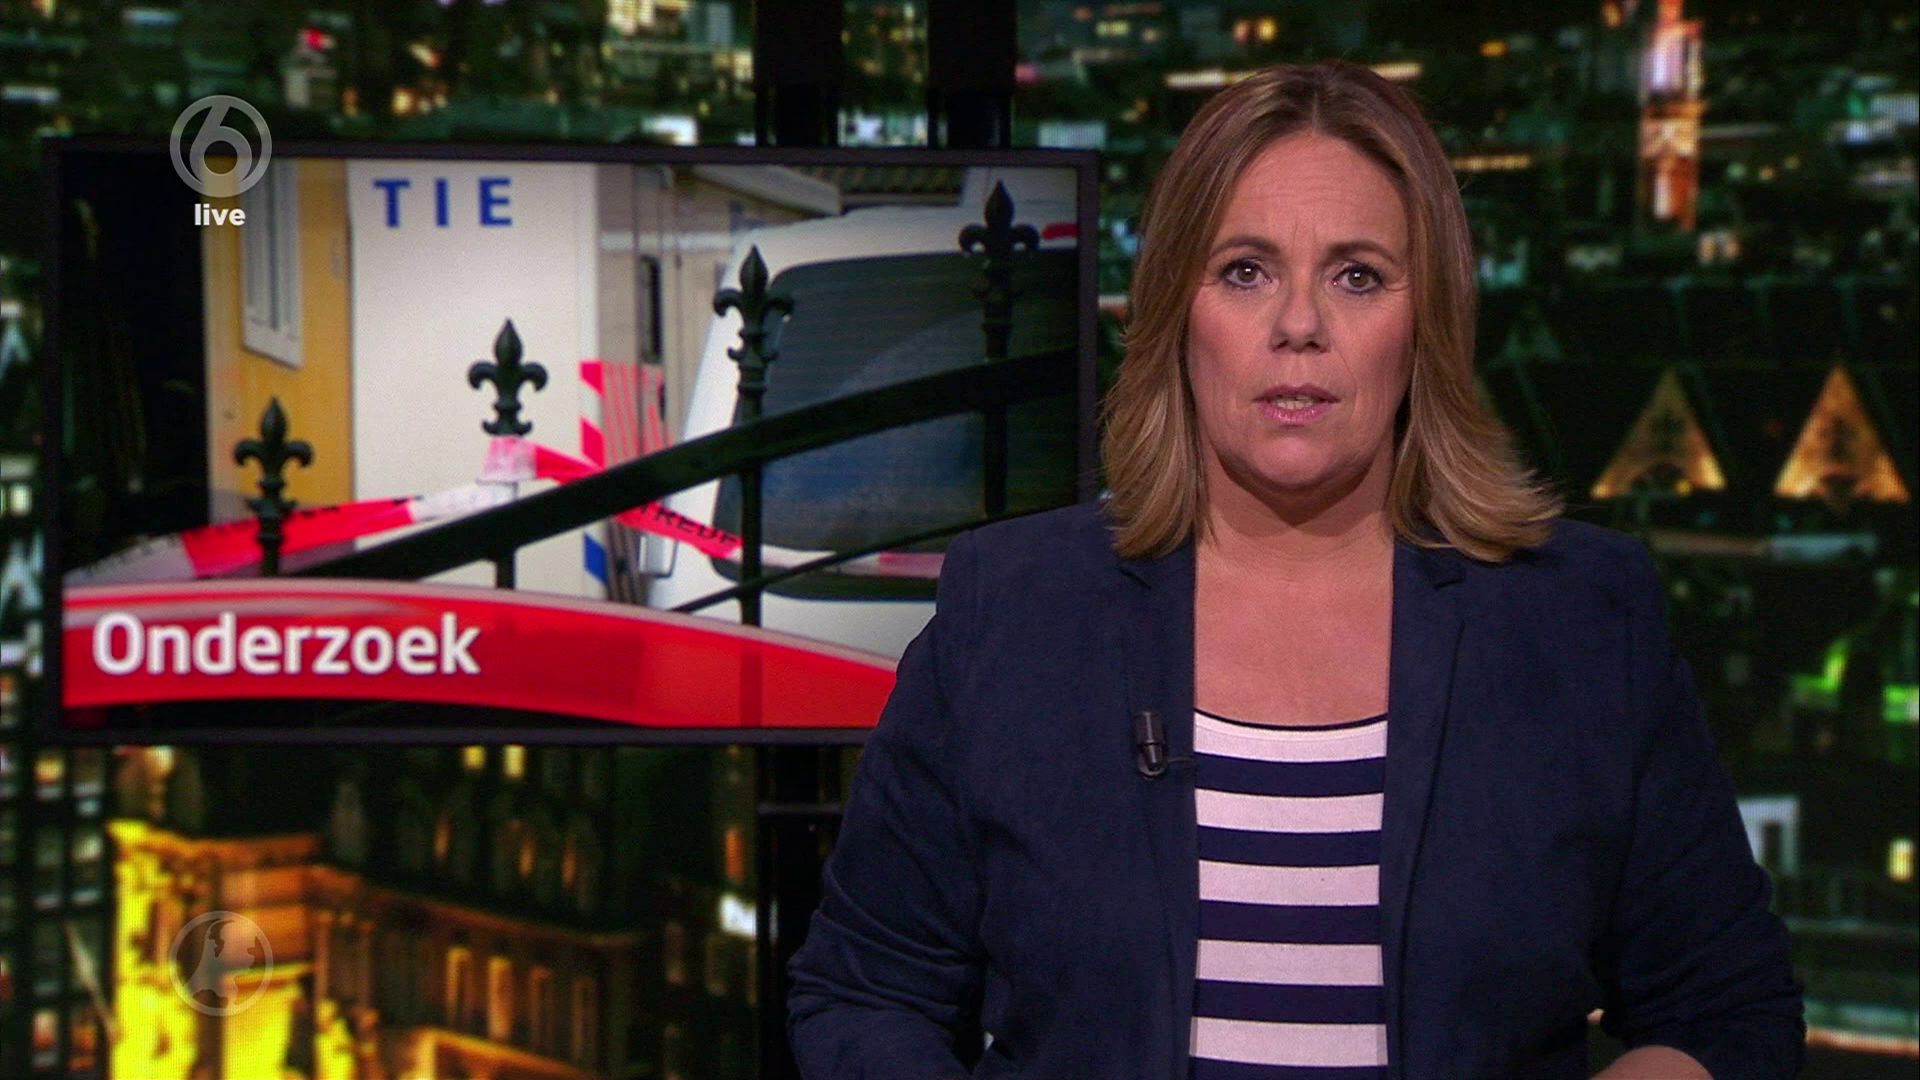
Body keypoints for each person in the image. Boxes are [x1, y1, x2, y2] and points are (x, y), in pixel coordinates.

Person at [786, 59, 1804, 1080]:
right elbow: (865, 992)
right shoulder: (1012, 610)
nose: (1299, 325)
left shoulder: (1578, 621)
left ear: (1428, 319)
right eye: (1245, 271)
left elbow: (1725, 1009)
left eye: (1357, 276)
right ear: (1175, 310)